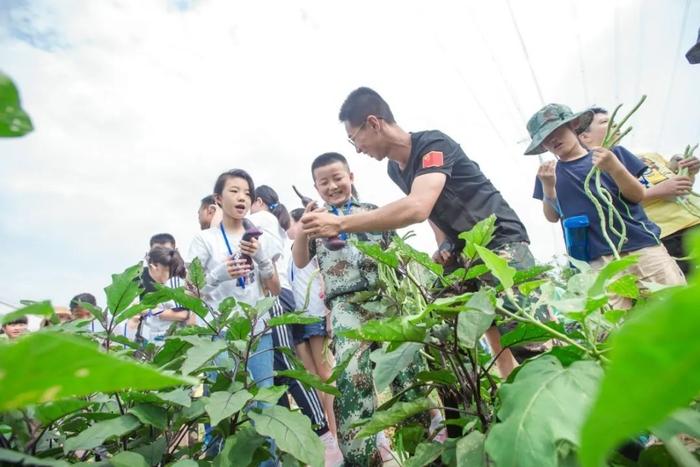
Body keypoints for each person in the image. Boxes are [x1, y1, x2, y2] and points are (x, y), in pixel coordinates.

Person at [301, 87, 529, 378]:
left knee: (528, 338)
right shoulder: (396, 170)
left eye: (355, 138)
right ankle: (482, 406)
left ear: (373, 123)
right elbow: (432, 212)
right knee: (443, 330)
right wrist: (444, 243)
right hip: (465, 256)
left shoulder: (433, 145)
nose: (357, 148)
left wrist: (341, 224)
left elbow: (418, 206)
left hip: (499, 243)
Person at [293, 152, 443, 466]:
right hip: (346, 305)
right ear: (316, 187)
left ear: (351, 177)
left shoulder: (372, 212)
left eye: (338, 177)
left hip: (385, 300)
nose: (332, 186)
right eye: (324, 182)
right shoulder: (315, 222)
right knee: (350, 374)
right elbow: (299, 260)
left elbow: (398, 253)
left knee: (404, 372)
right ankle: (361, 457)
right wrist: (304, 228)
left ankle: (424, 451)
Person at [527, 103, 686, 308]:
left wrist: (614, 167)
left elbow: (637, 195)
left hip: (641, 244)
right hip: (596, 261)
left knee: (674, 306)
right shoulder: (548, 174)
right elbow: (552, 216)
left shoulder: (612, 154)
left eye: (557, 131)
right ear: (542, 146)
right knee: (614, 327)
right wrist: (549, 188)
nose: (553, 139)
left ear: (574, 125)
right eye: (546, 139)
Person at [186, 169, 279, 465]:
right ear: (218, 199)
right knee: (219, 411)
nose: (242, 197)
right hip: (220, 337)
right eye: (234, 191)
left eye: (247, 193)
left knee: (264, 409)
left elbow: (274, 289)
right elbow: (191, 293)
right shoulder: (204, 240)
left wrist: (262, 258)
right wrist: (218, 274)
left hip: (257, 335)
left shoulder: (259, 239)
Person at [249, 185, 342, 465]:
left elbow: (322, 275)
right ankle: (323, 439)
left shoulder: (262, 221)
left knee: (316, 375)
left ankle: (331, 436)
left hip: (301, 309)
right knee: (304, 374)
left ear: (258, 201)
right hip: (297, 310)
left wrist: (327, 313)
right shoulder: (292, 247)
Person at [579, 107, 700, 274]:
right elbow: (610, 205)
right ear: (585, 137)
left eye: (613, 120)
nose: (614, 124)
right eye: (605, 122)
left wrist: (688, 172)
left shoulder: (649, 156)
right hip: (669, 233)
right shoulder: (593, 171)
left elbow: (682, 188)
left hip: (695, 218)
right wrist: (659, 191)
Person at [287, 208, 338, 441]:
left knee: (325, 372)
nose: (291, 228)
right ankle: (326, 429)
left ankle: (338, 429)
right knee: (312, 375)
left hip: (316, 313)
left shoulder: (315, 246)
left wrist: (328, 314)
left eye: (293, 223)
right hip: (299, 316)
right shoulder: (292, 253)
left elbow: (324, 280)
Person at [139, 246, 195, 345]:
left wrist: (149, 311)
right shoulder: (165, 285)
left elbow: (184, 314)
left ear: (154, 267)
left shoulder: (175, 283)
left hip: (169, 341)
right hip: (156, 339)